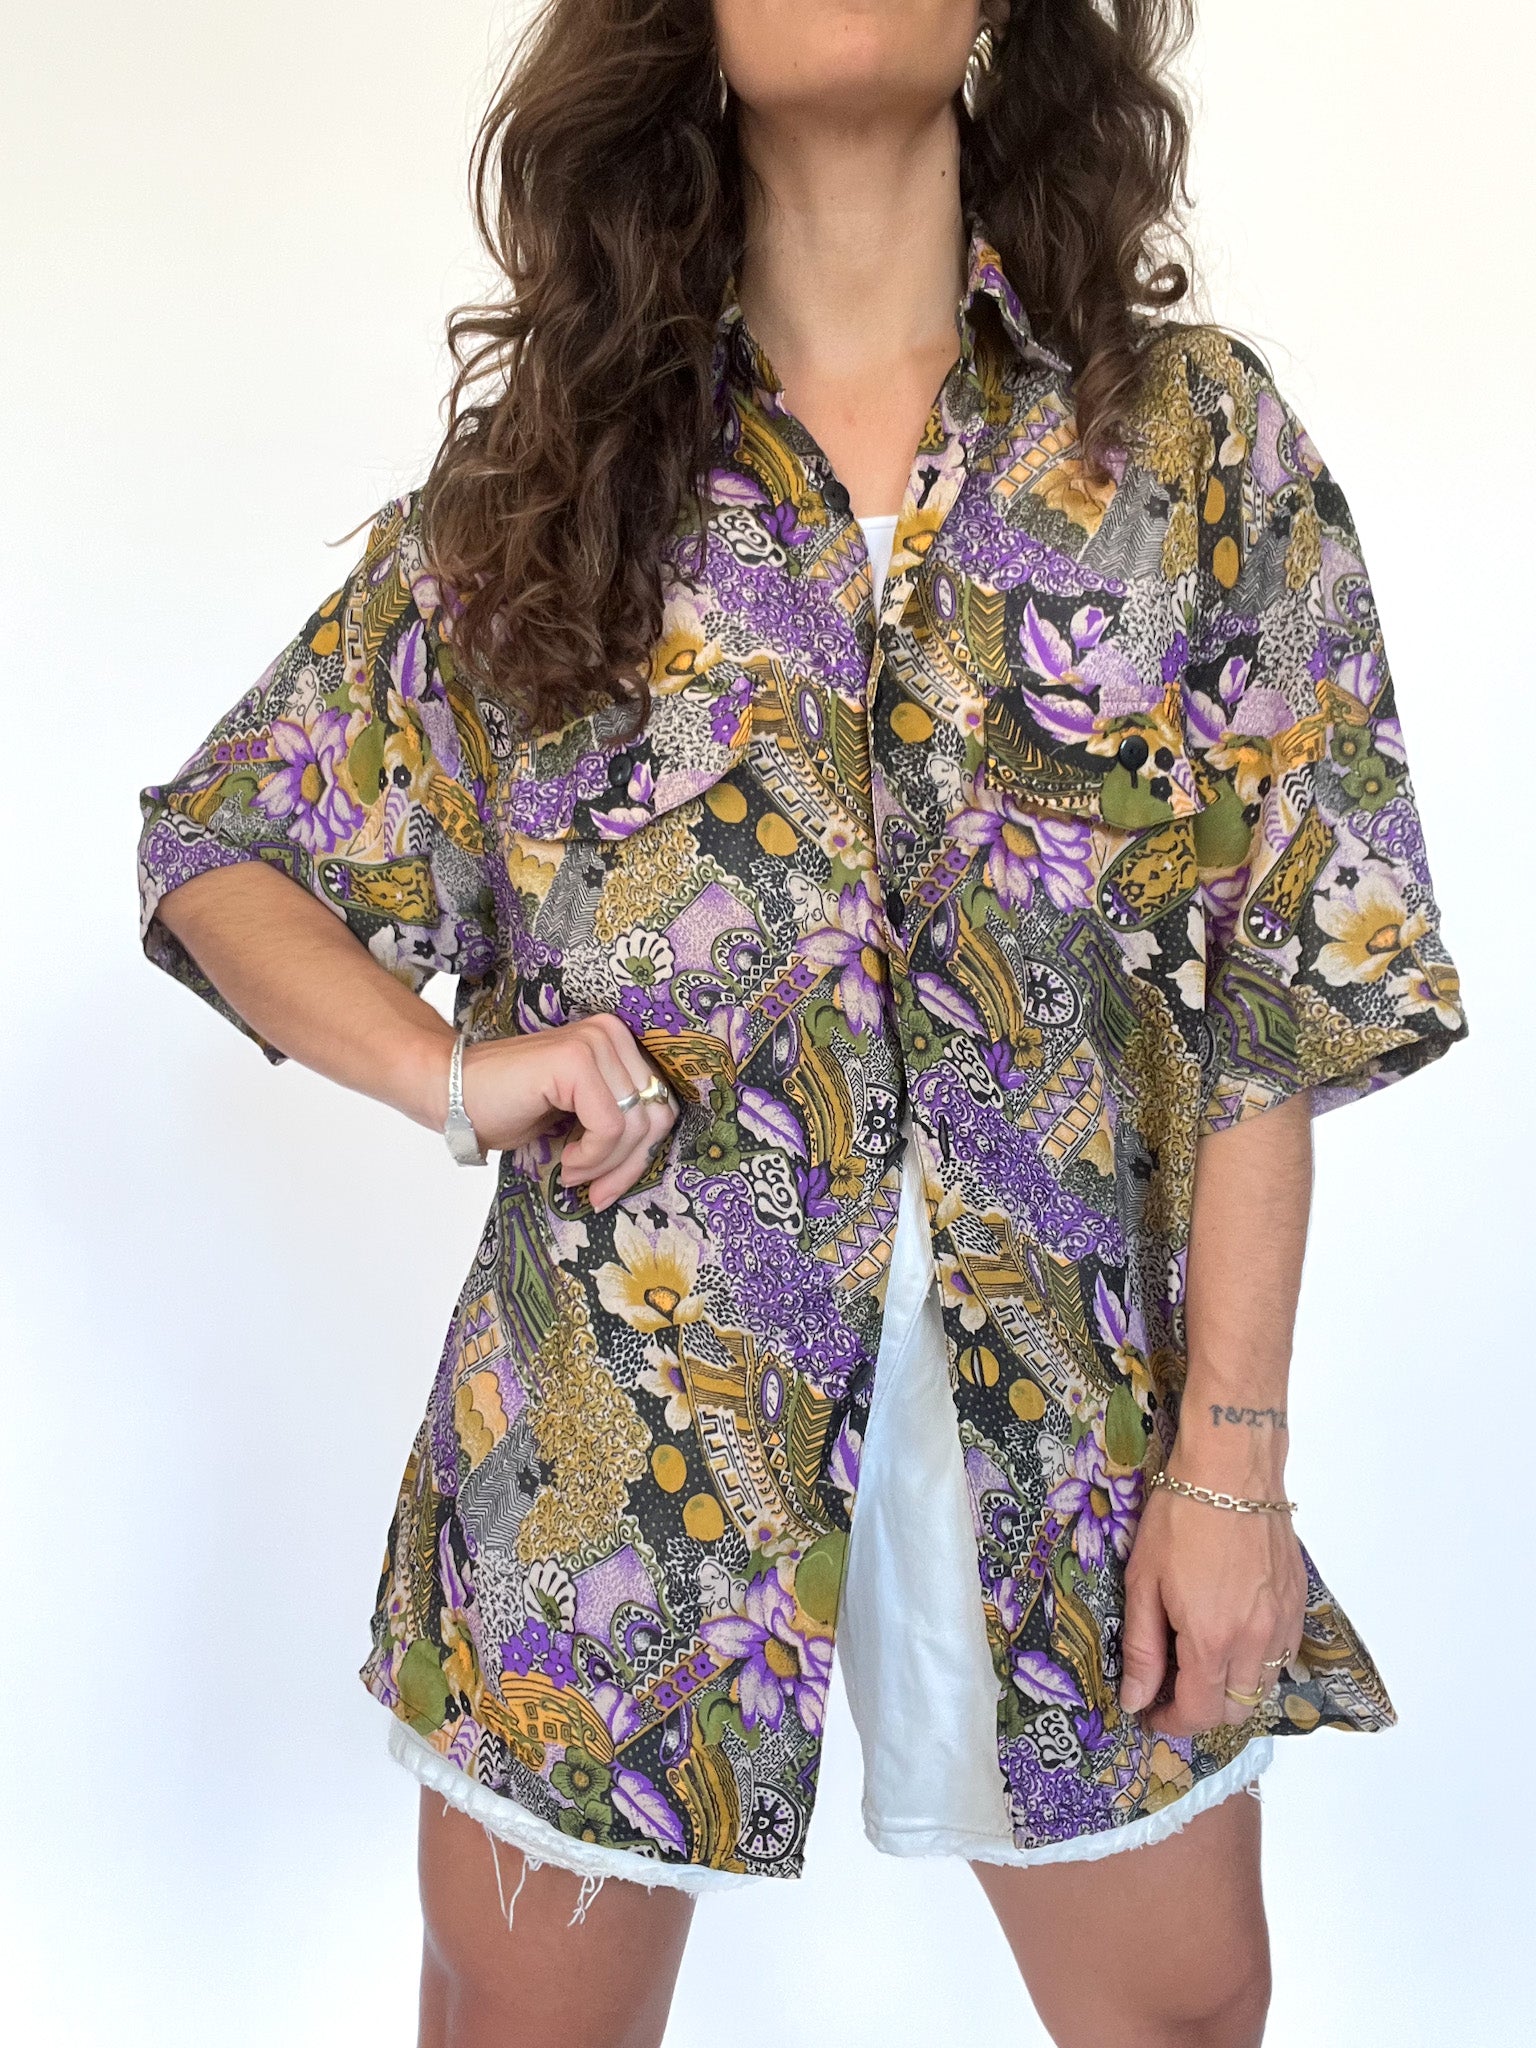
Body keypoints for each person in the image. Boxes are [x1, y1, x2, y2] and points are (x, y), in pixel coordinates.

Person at [135, 4, 1466, 2044]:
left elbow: (1283, 987)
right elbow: (222, 845)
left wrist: (1234, 1469)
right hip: (620, 1450)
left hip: (1083, 1448)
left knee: (1185, 2012)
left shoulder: (1191, 445)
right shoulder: (551, 493)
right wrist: (452, 1076)